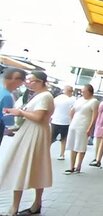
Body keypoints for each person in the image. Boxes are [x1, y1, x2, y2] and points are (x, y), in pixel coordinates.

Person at [0, 71, 55, 216]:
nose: (28, 83)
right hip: (32, 132)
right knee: (32, 167)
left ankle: (18, 206)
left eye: (32, 80)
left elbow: (38, 117)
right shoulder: (40, 95)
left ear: (41, 82)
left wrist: (20, 113)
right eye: (28, 80)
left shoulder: (44, 96)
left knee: (25, 166)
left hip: (34, 133)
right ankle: (33, 204)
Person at [65, 84, 99, 174]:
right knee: (72, 145)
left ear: (89, 92)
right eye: (82, 91)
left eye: (84, 91)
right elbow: (73, 110)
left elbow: (94, 116)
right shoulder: (79, 100)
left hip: (84, 125)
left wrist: (90, 128)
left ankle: (78, 166)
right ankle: (71, 166)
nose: (82, 93)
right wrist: (71, 119)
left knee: (81, 146)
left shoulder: (94, 102)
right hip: (74, 124)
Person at [0, 68, 26, 145]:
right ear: (16, 80)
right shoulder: (7, 96)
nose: (20, 85)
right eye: (21, 82)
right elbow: (8, 120)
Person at [50, 85, 75, 160]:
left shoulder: (59, 98)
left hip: (60, 121)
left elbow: (52, 107)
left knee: (53, 138)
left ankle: (61, 154)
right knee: (62, 139)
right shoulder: (73, 99)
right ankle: (61, 154)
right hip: (61, 121)